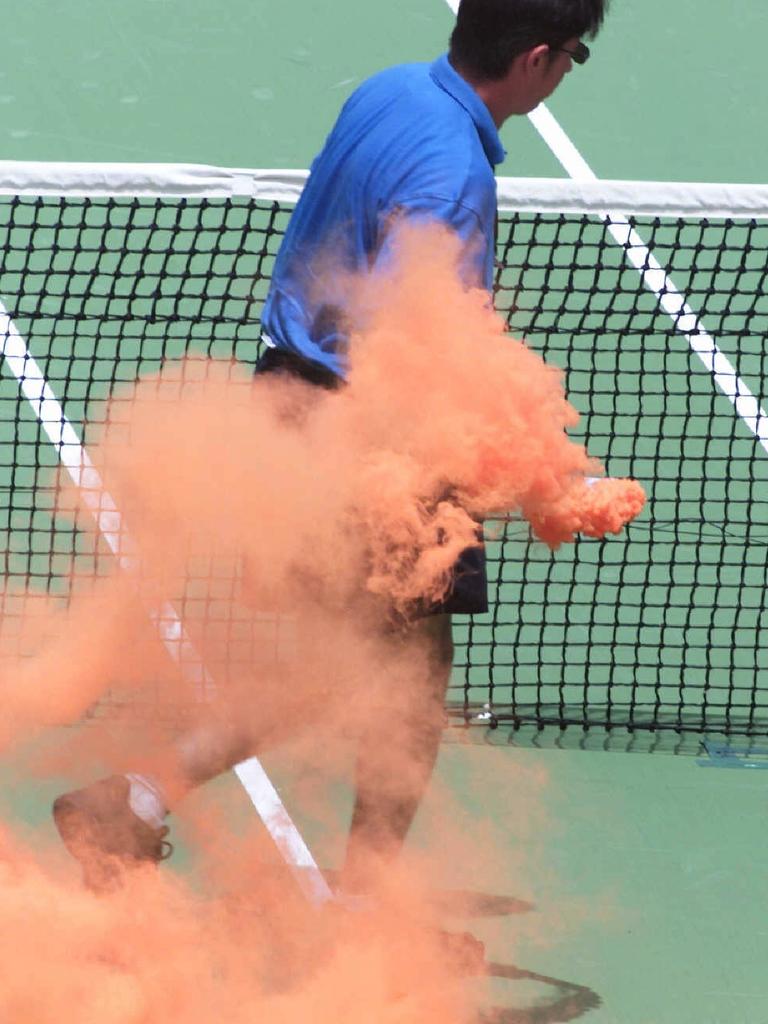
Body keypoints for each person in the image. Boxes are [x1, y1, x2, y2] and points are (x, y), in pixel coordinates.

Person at [53, 0, 607, 903]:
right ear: (539, 58)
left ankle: (136, 804)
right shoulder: (451, 175)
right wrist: (521, 467)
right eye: (575, 57)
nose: (568, 71)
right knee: (395, 673)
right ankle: (356, 896)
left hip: (287, 400)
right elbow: (401, 344)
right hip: (358, 435)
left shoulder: (392, 92)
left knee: (352, 662)